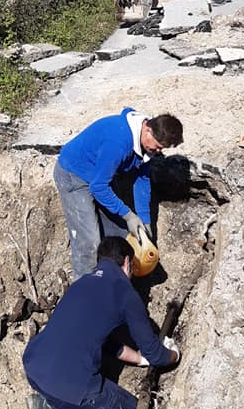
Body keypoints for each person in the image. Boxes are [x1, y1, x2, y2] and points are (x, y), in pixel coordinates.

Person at [23, 236, 181, 409]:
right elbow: (155, 353)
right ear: (127, 262)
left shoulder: (80, 284)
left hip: (34, 368)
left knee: (73, 385)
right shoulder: (125, 293)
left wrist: (140, 359)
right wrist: (173, 355)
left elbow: (103, 341)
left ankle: (48, 400)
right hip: (69, 385)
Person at [54, 108, 184, 280]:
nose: (158, 151)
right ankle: (84, 292)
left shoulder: (146, 144)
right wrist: (128, 215)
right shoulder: (118, 142)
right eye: (158, 147)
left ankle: (115, 284)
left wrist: (144, 221)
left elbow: (142, 180)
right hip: (74, 175)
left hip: (99, 175)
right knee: (90, 243)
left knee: (121, 234)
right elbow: (99, 187)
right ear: (148, 129)